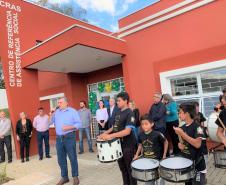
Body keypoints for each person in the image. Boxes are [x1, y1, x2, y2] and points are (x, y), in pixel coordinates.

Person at [99, 92, 137, 185]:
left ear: (126, 101)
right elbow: (114, 127)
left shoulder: (130, 113)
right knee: (123, 169)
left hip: (128, 146)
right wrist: (105, 133)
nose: (117, 102)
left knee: (130, 169)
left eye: (119, 101)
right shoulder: (118, 112)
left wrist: (110, 136)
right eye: (117, 101)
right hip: (118, 145)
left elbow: (127, 131)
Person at [50, 97, 81, 185]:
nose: (58, 104)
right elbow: (49, 123)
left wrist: (69, 127)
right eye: (58, 102)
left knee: (72, 157)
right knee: (61, 159)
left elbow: (79, 124)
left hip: (69, 137)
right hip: (59, 138)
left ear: (66, 103)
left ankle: (75, 177)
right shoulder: (56, 113)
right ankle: (64, 177)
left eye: (60, 102)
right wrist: (51, 114)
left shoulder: (73, 111)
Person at [174, 102, 206, 185]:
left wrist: (182, 134)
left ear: (187, 113)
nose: (178, 114)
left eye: (180, 112)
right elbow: (183, 145)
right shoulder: (182, 127)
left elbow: (197, 144)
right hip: (187, 165)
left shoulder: (198, 127)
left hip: (198, 166)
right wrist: (180, 145)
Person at [134, 114, 168, 185]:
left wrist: (164, 155)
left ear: (152, 124)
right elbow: (140, 145)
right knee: (149, 181)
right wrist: (137, 155)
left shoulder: (157, 134)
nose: (144, 126)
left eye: (146, 124)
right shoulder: (140, 134)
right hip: (147, 162)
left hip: (158, 160)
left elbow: (166, 142)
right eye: (142, 124)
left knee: (161, 180)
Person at [193, 102, 209, 166]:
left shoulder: (200, 114)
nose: (197, 110)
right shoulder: (191, 115)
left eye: (198, 108)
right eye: (196, 109)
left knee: (203, 143)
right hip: (194, 130)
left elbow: (202, 124)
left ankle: (205, 157)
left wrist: (204, 131)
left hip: (200, 130)